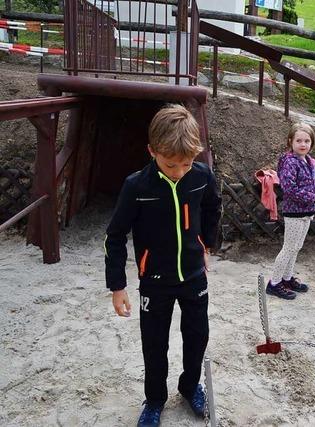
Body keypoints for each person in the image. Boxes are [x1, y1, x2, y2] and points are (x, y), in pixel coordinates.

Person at [105, 105, 221, 427]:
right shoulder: (137, 187)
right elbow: (115, 236)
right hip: (154, 280)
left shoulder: (200, 176)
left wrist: (206, 244)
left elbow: (213, 207)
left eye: (186, 163)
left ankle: (189, 387)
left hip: (194, 275)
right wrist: (118, 286)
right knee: (154, 342)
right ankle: (155, 399)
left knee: (197, 335)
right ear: (152, 151)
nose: (179, 172)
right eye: (171, 164)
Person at [266, 123, 315, 300]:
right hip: (294, 213)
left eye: (307, 141)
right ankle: (274, 283)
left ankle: (287, 278)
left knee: (297, 247)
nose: (303, 144)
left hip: (308, 211)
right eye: (299, 140)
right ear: (290, 142)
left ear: (311, 143)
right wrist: (312, 198)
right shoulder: (289, 163)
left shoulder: (310, 161)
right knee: (289, 247)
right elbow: (289, 189)